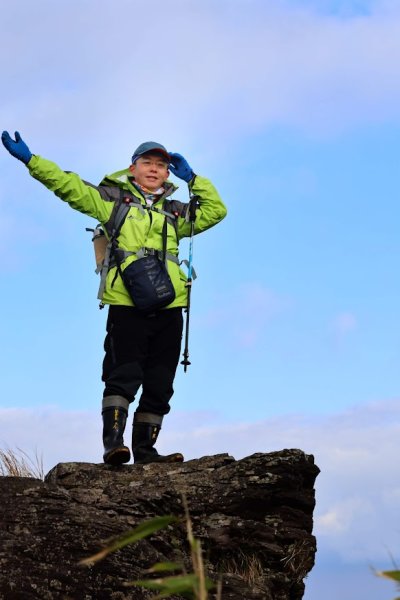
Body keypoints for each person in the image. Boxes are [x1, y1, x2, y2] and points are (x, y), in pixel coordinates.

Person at [1, 131, 227, 466]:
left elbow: (216, 211)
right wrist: (32, 161)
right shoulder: (112, 200)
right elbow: (69, 186)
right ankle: (114, 446)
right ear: (131, 169)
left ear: (168, 173)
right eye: (146, 162)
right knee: (123, 374)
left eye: (161, 165)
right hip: (127, 302)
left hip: (170, 305)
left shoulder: (177, 212)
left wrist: (193, 179)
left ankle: (147, 453)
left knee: (161, 381)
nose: (154, 169)